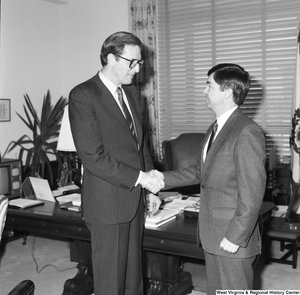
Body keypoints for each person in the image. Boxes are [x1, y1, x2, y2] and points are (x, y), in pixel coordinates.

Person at [68, 31, 163, 295]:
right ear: (111, 58)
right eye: (132, 62)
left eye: (140, 62)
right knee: (111, 284)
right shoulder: (83, 95)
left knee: (134, 280)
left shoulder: (132, 94)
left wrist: (149, 188)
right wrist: (141, 179)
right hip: (107, 204)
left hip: (134, 201)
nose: (138, 68)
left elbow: (140, 145)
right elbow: (93, 157)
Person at [163, 63, 266, 293]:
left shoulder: (247, 131)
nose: (203, 91)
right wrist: (161, 179)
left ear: (227, 91)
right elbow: (201, 171)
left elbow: (253, 192)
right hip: (212, 233)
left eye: (209, 85)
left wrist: (235, 236)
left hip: (232, 237)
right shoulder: (216, 127)